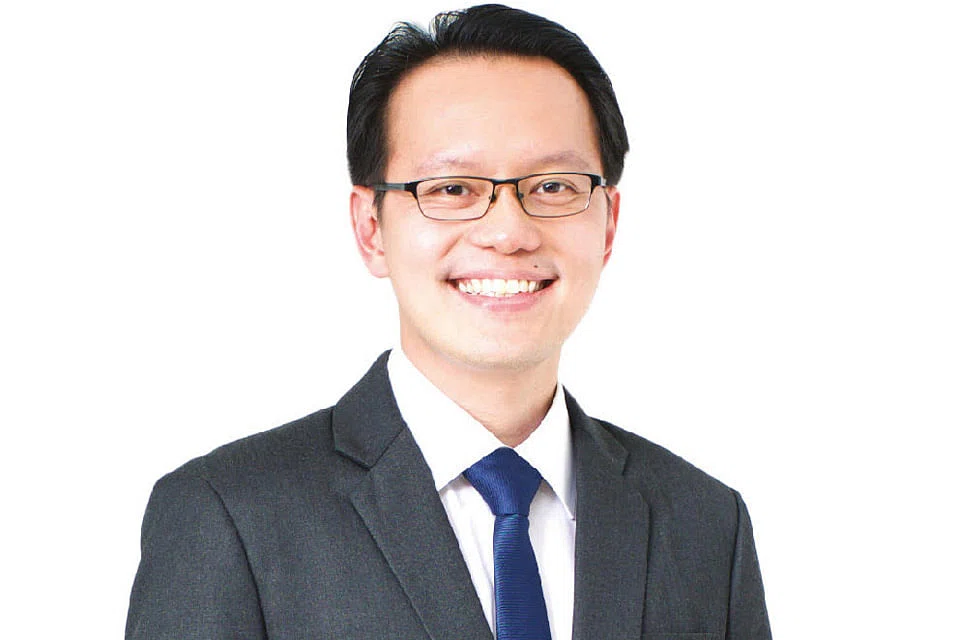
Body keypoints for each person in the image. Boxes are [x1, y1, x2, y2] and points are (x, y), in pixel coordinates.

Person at [126, 4, 771, 639]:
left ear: (608, 225)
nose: (508, 232)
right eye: (452, 189)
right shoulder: (228, 515)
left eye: (553, 186)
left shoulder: (706, 524)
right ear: (371, 228)